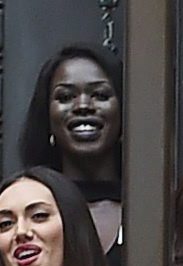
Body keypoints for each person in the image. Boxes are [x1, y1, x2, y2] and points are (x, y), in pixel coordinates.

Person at [24, 44, 125, 249]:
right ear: (46, 116)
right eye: (66, 97)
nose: (83, 106)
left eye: (100, 95)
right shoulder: (21, 213)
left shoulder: (157, 212)